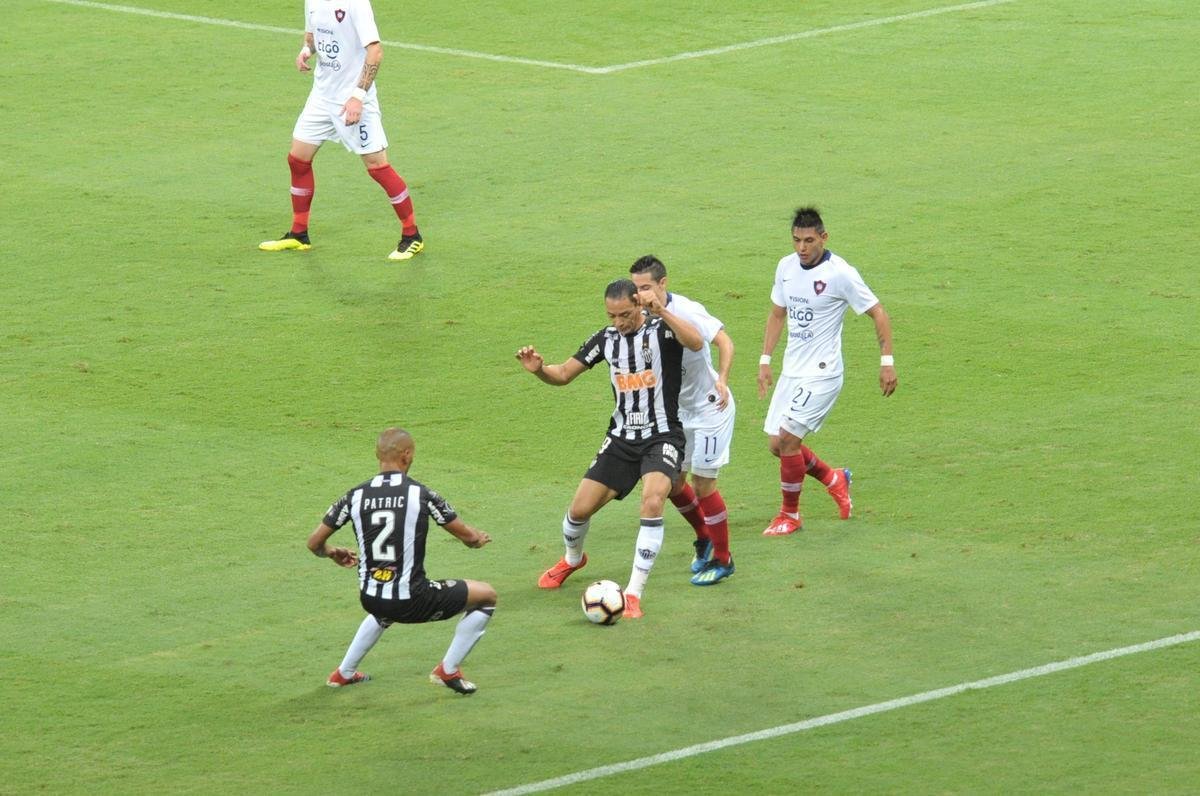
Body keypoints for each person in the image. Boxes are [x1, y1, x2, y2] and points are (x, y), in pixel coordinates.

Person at [515, 279, 704, 618]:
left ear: (639, 304)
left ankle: (633, 593)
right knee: (578, 512)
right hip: (621, 439)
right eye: (612, 316)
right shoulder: (605, 339)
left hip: (662, 436)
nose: (619, 322)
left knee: (652, 500)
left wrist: (661, 311)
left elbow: (696, 341)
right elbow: (563, 374)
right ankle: (573, 559)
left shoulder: (663, 330)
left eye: (625, 314)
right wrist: (539, 370)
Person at [307, 428, 495, 694]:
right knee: (487, 596)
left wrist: (332, 552)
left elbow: (314, 544)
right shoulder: (420, 494)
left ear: (378, 455)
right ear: (406, 455)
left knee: (384, 606)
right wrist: (478, 539)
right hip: (412, 600)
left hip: (370, 599)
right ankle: (448, 670)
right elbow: (468, 537)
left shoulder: (354, 496)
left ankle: (343, 673)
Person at [758, 207, 898, 536]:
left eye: (809, 241)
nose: (802, 248)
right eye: (796, 240)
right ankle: (833, 478)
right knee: (777, 445)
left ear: (824, 237)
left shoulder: (840, 274)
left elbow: (878, 312)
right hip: (793, 370)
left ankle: (790, 515)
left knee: (789, 439)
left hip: (823, 373)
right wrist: (765, 360)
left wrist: (887, 362)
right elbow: (777, 314)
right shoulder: (785, 267)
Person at [260, 0, 424, 261]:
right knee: (298, 159)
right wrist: (306, 50)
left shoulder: (356, 3)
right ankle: (299, 234)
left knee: (378, 167)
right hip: (321, 97)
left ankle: (412, 235)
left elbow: (375, 51)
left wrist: (358, 97)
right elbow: (313, 35)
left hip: (354, 99)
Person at [629, 256, 737, 586]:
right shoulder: (636, 318)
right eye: (635, 288)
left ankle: (724, 559)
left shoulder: (687, 310)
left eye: (645, 287)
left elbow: (723, 341)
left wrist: (722, 378)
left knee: (703, 486)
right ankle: (704, 537)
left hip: (710, 409)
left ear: (663, 284)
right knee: (674, 483)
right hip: (676, 415)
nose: (640, 295)